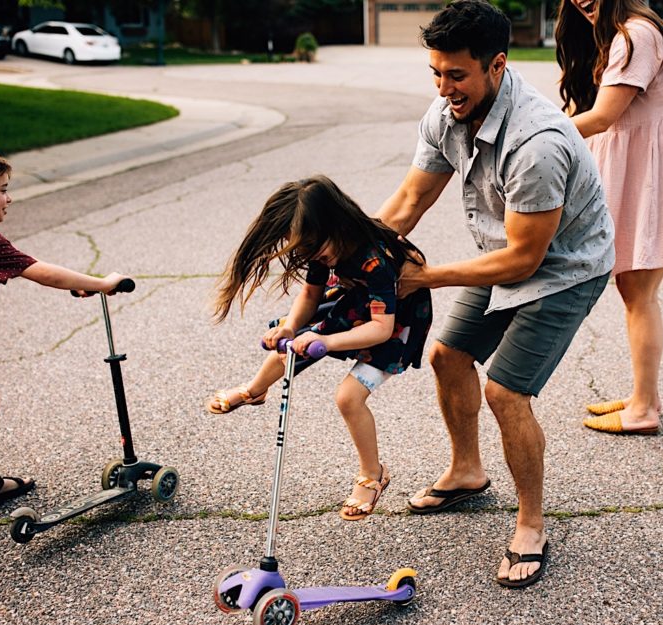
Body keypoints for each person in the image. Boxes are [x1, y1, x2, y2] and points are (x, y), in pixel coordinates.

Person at [376, 0, 614, 588]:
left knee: (506, 391)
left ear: (498, 65)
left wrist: (422, 278)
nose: (444, 87)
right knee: (446, 355)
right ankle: (466, 472)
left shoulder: (537, 141)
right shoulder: (444, 114)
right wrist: (356, 259)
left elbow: (526, 258)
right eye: (436, 72)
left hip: (564, 268)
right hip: (502, 254)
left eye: (457, 74)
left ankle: (531, 524)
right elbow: (408, 204)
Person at [208, 175, 432, 521]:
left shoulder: (374, 260)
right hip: (354, 303)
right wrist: (289, 327)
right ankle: (254, 391)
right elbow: (311, 294)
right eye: (303, 251)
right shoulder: (321, 245)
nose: (311, 257)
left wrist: (326, 342)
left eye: (314, 249)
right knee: (291, 347)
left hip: (394, 322)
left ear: (337, 223)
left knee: (348, 397)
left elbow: (380, 328)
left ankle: (373, 475)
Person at [0, 147, 127, 516]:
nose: (9, 197)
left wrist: (79, 283)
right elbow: (38, 270)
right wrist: (102, 283)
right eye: (3, 189)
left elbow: (28, 269)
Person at [556, 0, 663, 434]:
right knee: (635, 290)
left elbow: (602, 118)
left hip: (645, 175)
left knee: (638, 292)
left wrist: (533, 132)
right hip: (642, 170)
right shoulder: (629, 30)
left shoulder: (635, 34)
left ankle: (642, 410)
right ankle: (646, 395)